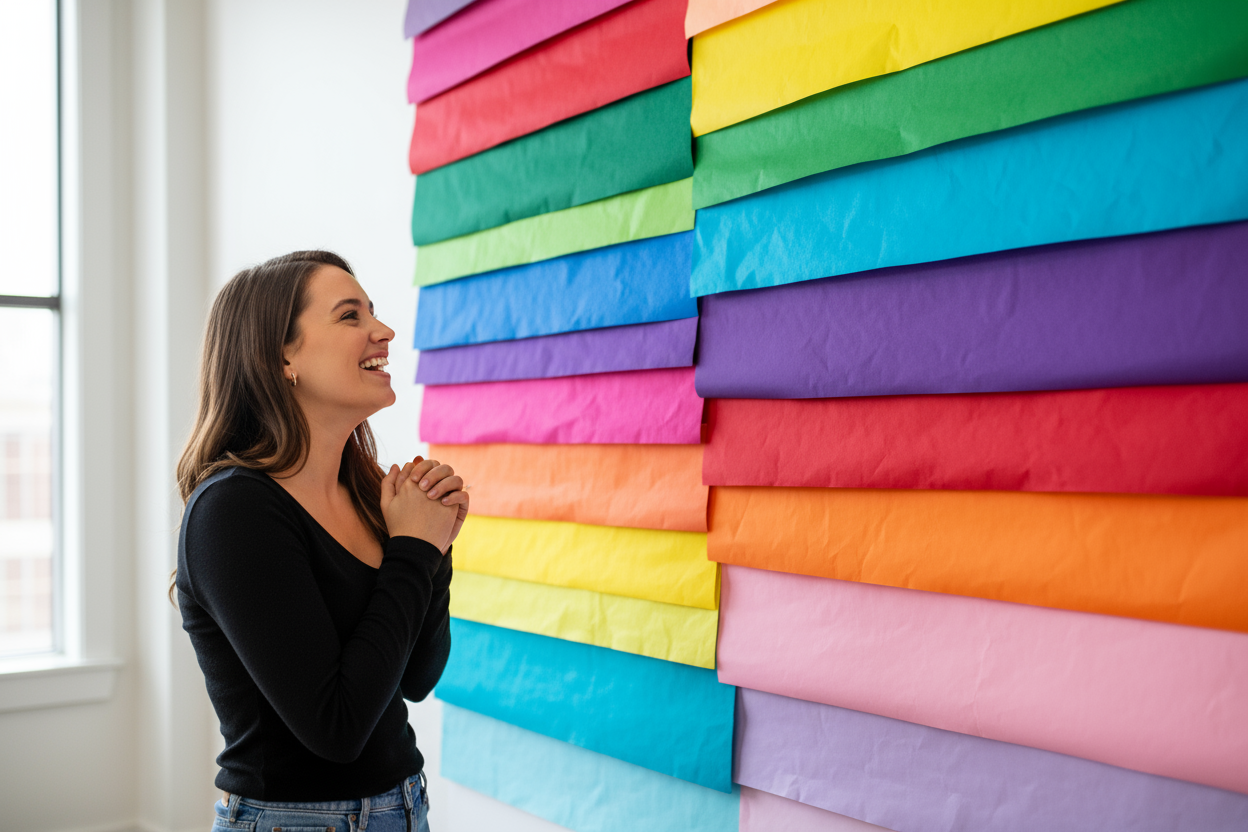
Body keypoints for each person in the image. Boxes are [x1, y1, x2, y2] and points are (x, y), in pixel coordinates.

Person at [173, 251, 466, 832]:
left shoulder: (365, 492)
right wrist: (412, 552)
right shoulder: (234, 510)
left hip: (405, 806)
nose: (382, 332)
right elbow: (336, 728)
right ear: (283, 356)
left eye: (373, 314)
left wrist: (434, 548)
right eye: (350, 316)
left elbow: (416, 679)